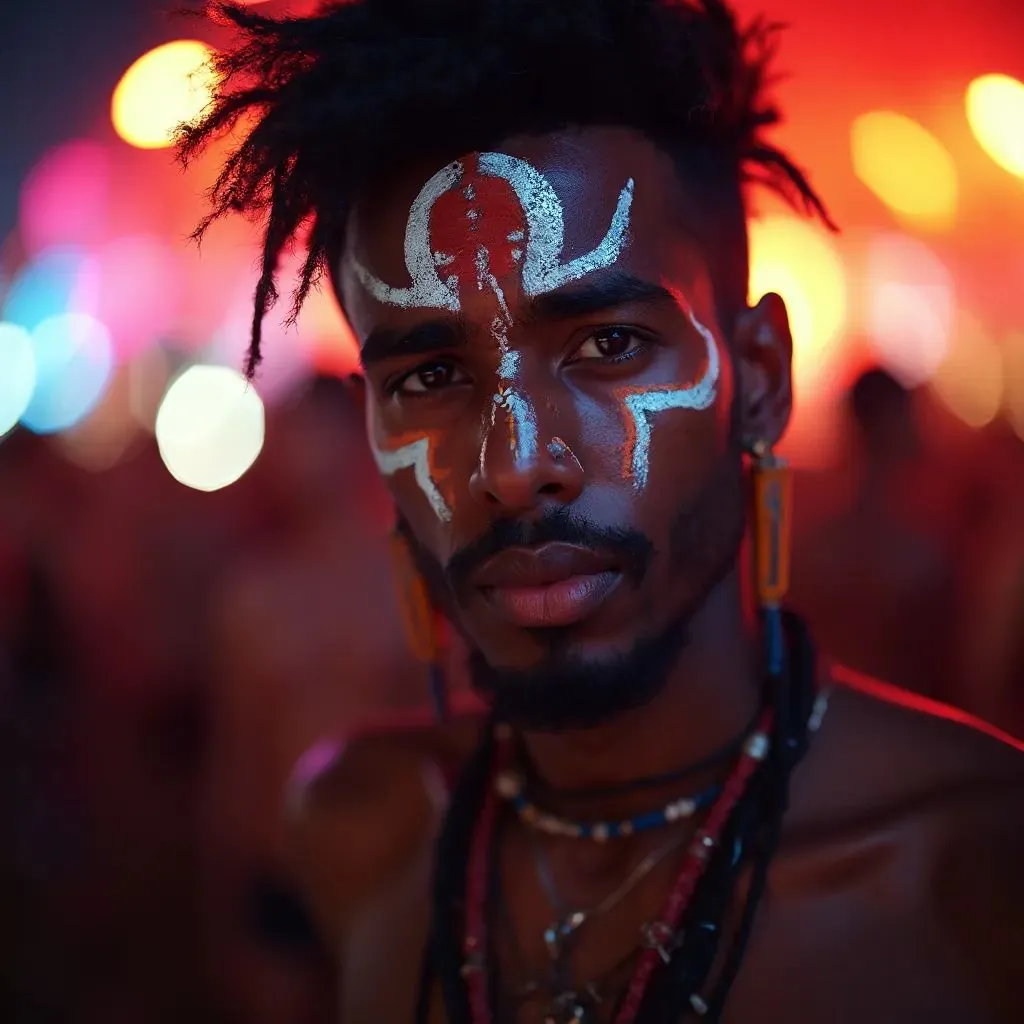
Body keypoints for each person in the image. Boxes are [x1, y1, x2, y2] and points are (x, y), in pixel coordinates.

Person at [178, 2, 1024, 1021]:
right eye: (434, 373)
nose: (515, 465)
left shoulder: (974, 874)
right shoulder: (359, 830)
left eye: (608, 346)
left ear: (758, 378)